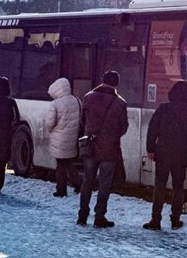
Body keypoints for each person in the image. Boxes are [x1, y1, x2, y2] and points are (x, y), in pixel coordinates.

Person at [143, 80, 187, 231]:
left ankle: (155, 219)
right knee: (178, 187)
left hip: (162, 152)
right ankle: (175, 219)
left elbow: (152, 129)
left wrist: (150, 149)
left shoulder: (163, 109)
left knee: (160, 186)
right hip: (181, 153)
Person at [77, 70, 129, 228]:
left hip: (90, 146)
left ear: (102, 80)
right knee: (104, 184)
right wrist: (111, 137)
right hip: (109, 149)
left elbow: (82, 121)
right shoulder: (120, 103)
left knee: (87, 181)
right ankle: (99, 216)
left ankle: (82, 215)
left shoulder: (88, 97)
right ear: (116, 84)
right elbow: (123, 127)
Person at [47, 77, 82, 197]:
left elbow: (50, 123)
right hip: (72, 138)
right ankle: (78, 185)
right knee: (68, 162)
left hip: (59, 139)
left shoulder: (55, 104)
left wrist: (50, 131)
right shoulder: (76, 100)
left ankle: (61, 190)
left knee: (61, 165)